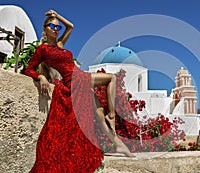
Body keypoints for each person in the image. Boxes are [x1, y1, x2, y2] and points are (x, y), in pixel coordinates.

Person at [25, 10, 134, 173]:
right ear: (45, 28)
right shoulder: (43, 50)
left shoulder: (60, 45)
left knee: (99, 114)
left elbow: (71, 26)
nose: (56, 29)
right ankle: (112, 115)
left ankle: (120, 146)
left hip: (79, 77)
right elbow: (29, 69)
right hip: (73, 80)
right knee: (111, 78)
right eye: (52, 26)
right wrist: (41, 77)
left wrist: (56, 15)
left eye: (57, 27)